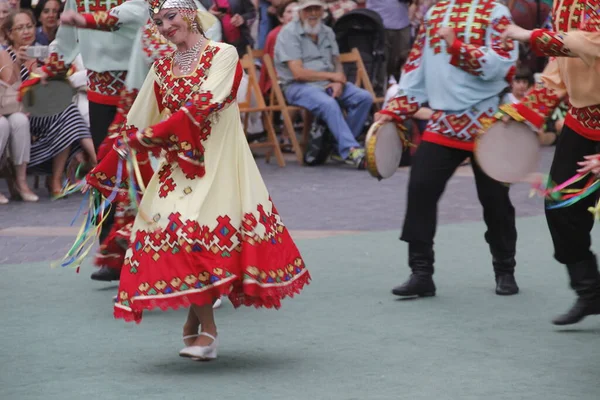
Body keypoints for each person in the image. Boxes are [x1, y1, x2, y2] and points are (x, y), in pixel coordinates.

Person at [84, 0, 310, 359]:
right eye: (158, 22)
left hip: (220, 165)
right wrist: (106, 167)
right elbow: (135, 121)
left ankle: (204, 330)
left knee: (192, 236)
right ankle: (201, 326)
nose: (165, 27)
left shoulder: (224, 54)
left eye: (170, 17)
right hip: (177, 169)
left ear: (189, 14)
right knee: (168, 232)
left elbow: (203, 104)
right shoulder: (161, 68)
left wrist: (153, 134)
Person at [56, 0, 221, 285]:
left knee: (192, 190)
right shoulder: (150, 31)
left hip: (193, 119)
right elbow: (135, 79)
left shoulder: (206, 24)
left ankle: (205, 264)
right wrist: (125, 123)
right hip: (144, 110)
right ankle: (125, 257)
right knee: (126, 180)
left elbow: (219, 71)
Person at [375, 0, 520, 298]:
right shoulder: (434, 14)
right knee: (420, 191)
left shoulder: (496, 13)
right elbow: (417, 68)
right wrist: (395, 109)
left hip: (489, 120)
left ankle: (505, 269)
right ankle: (421, 272)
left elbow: (501, 65)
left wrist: (457, 46)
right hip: (445, 121)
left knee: (495, 201)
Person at [499, 0, 600, 325]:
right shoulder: (563, 2)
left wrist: (529, 35)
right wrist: (523, 115)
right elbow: (559, 67)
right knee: (561, 207)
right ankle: (590, 291)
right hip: (580, 122)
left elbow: (591, 43)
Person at [1, 9, 95, 196]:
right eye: (20, 28)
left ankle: (66, 174)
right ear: (10, 33)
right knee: (68, 112)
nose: (26, 31)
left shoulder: (41, 53)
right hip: (20, 111)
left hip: (43, 111)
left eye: (29, 26)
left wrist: (54, 74)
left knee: (67, 111)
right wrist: (19, 64)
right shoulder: (5, 54)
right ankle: (95, 162)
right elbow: (9, 87)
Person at [274, 0, 373, 169]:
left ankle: (336, 145)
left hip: (328, 82)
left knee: (364, 97)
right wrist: (333, 77)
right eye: (308, 9)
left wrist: (338, 82)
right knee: (328, 103)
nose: (312, 13)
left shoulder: (327, 31)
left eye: (316, 9)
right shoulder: (288, 33)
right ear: (300, 12)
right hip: (298, 86)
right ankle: (351, 149)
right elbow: (298, 73)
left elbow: (337, 63)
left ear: (323, 11)